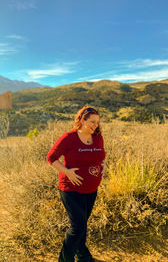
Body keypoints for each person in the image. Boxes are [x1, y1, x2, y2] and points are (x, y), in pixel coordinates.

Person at [47, 106, 106, 262]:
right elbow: (51, 158)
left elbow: (100, 153)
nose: (95, 125)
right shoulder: (69, 138)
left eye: (97, 122)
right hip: (71, 189)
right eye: (92, 122)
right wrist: (67, 171)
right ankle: (65, 259)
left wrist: (103, 163)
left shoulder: (98, 137)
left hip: (92, 189)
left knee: (83, 225)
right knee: (77, 227)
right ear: (82, 120)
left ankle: (83, 255)